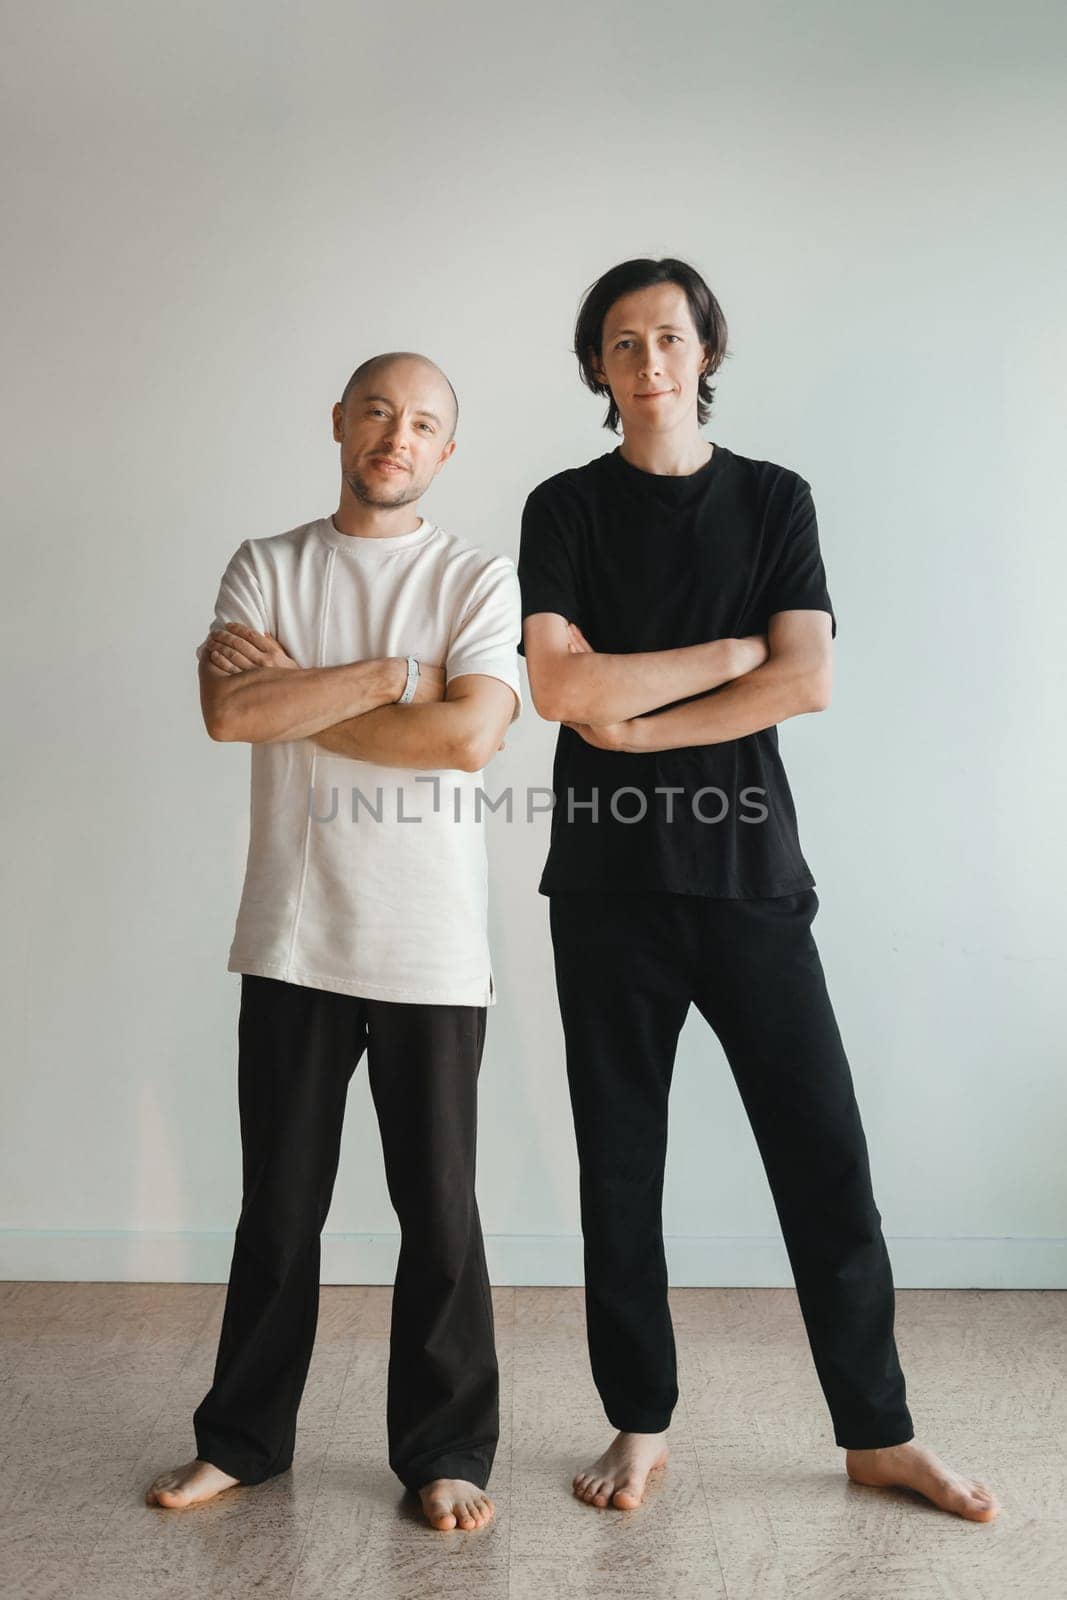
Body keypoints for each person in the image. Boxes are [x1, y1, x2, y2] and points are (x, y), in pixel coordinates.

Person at [517, 257, 1000, 1523]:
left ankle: (876, 1431)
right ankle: (638, 1422)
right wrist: (725, 653)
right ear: (595, 369)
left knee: (824, 1157)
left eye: (667, 336)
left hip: (749, 881)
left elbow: (806, 681)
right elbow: (561, 693)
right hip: (608, 889)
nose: (647, 360)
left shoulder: (774, 498)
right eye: (620, 342)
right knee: (620, 1172)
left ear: (705, 353)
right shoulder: (559, 507)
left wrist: (644, 718)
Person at [146, 352, 521, 1533]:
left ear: (444, 450)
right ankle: (243, 1442)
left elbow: (467, 740)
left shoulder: (476, 576)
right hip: (292, 940)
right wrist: (391, 677)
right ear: (340, 423)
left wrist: (308, 698)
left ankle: (446, 1451)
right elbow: (228, 712)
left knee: (441, 1213)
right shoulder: (269, 564)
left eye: (420, 423)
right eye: (376, 412)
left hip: (431, 944)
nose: (394, 436)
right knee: (278, 1210)